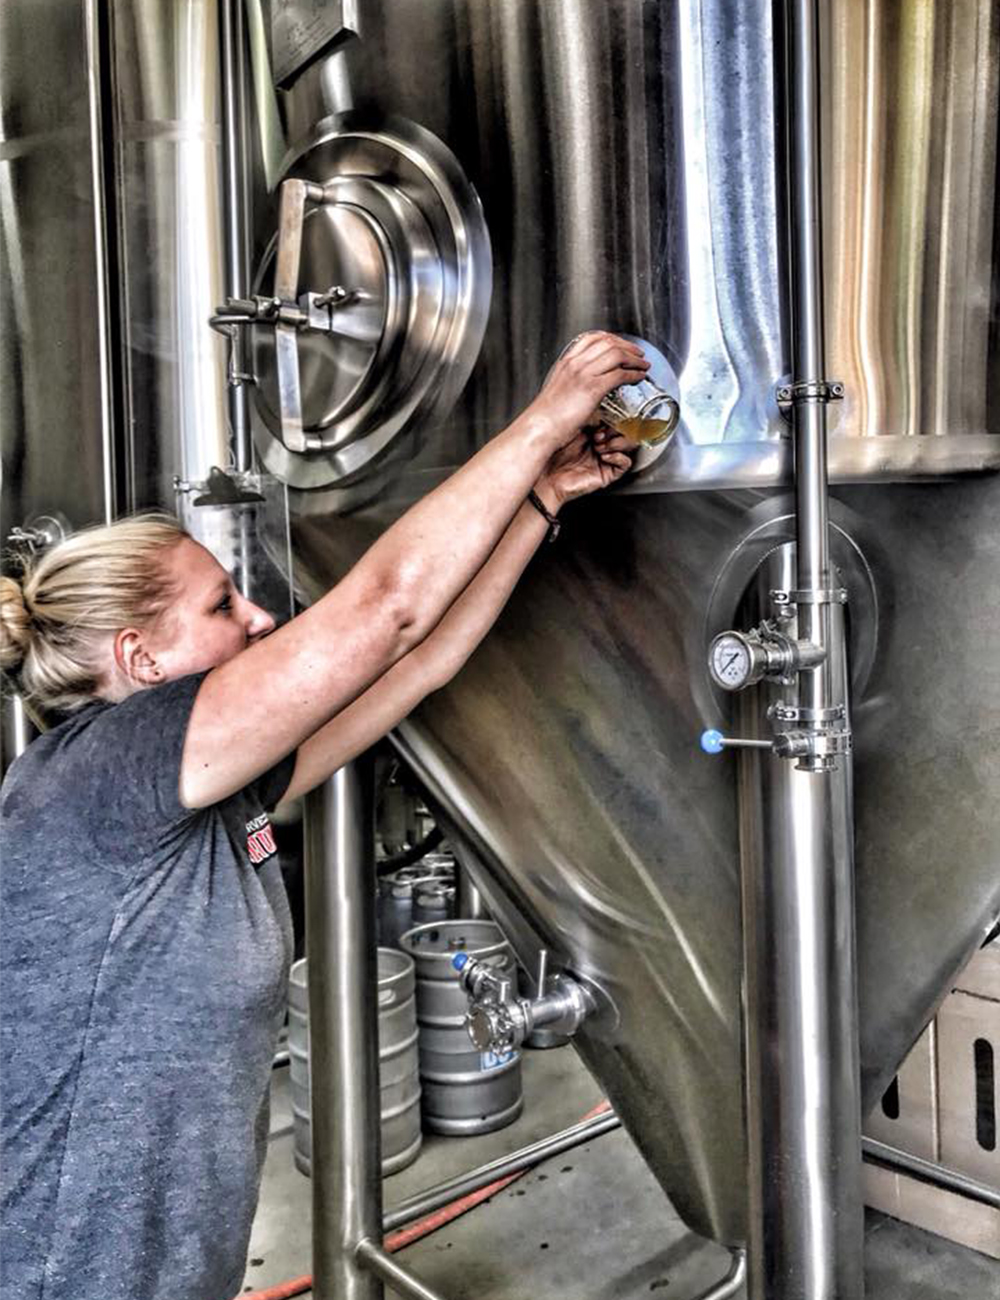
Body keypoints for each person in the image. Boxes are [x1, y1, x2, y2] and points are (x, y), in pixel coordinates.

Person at [0, 332, 647, 1300]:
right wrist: (543, 414)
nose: (256, 616)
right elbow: (385, 607)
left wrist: (539, 502)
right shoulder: (111, 766)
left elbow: (414, 661)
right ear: (138, 661)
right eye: (222, 605)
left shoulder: (202, 792)